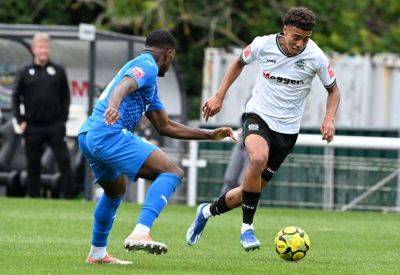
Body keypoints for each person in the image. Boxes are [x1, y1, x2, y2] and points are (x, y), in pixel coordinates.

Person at [186, 7, 341, 251]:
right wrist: (219, 95)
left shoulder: (317, 57)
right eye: (296, 37)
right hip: (258, 115)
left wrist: (329, 119)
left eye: (306, 38)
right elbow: (239, 62)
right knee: (258, 159)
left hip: (287, 131)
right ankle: (247, 229)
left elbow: (333, 90)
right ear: (285, 30)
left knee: (245, 192)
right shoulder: (263, 45)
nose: (300, 44)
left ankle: (205, 212)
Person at [79, 30, 235, 265]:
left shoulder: (149, 85)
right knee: (172, 172)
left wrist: (209, 135)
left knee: (115, 191)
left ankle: (98, 253)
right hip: (108, 133)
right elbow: (124, 85)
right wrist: (113, 106)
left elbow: (165, 125)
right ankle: (141, 231)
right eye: (172, 58)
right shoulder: (147, 65)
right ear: (169, 54)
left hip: (89, 135)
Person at [12, 32, 73, 199]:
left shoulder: (58, 71)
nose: (43, 50)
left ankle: (69, 197)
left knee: (64, 162)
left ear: (49, 49)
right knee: (33, 165)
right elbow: (16, 97)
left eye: (46, 47)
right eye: (40, 47)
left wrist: (63, 119)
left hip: (55, 126)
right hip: (32, 126)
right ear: (34, 49)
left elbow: (66, 97)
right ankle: (33, 198)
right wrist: (21, 121)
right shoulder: (24, 71)